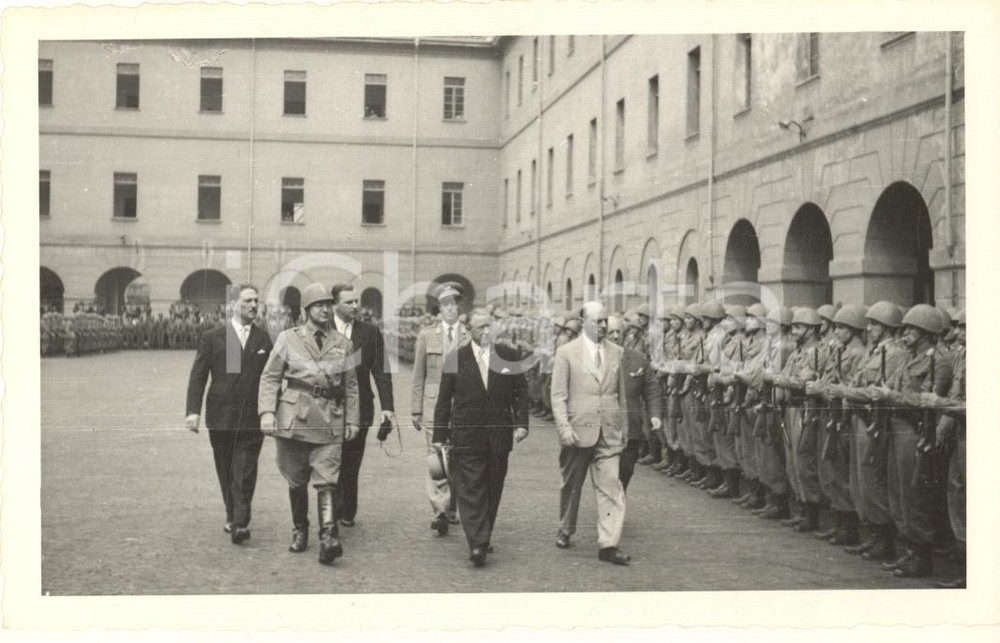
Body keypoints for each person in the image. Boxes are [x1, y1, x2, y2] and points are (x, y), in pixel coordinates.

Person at [258, 283, 360, 565]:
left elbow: (351, 386)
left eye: (328, 304)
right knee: (296, 478)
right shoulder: (288, 339)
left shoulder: (343, 344)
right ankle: (300, 529)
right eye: (318, 305)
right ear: (306, 311)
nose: (325, 310)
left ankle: (328, 536)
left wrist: (353, 419)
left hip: (330, 418)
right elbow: (270, 377)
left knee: (327, 479)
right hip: (294, 418)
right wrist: (267, 412)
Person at [433, 309, 529, 567]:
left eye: (489, 326)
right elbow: (443, 401)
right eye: (480, 328)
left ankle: (483, 534)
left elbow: (521, 390)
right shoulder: (456, 358)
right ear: (469, 330)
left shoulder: (508, 355)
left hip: (499, 434)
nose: (486, 331)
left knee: (492, 487)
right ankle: (477, 543)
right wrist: (439, 435)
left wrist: (521, 423)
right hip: (466, 433)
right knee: (471, 488)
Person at [185, 285, 273, 544]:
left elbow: (271, 377)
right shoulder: (214, 337)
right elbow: (198, 375)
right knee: (226, 470)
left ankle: (240, 522)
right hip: (221, 416)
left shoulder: (264, 339)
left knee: (244, 471)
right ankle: (232, 512)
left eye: (257, 301)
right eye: (248, 301)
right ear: (233, 304)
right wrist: (192, 411)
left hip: (251, 419)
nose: (254, 305)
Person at [550, 301, 630, 566]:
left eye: (606, 321)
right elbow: (558, 395)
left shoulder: (617, 352)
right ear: (584, 322)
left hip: (608, 431)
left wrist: (624, 427)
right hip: (577, 430)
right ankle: (565, 528)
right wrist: (564, 427)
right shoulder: (566, 353)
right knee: (572, 485)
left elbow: (620, 394)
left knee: (611, 487)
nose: (604, 326)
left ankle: (608, 544)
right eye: (599, 321)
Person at [330, 283, 395, 528]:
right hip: (328, 407)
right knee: (329, 457)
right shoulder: (322, 330)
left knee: (351, 461)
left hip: (361, 408)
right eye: (349, 302)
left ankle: (347, 508)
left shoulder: (369, 332)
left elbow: (381, 371)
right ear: (335, 303)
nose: (355, 306)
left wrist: (387, 407)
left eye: (357, 301)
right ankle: (332, 508)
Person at [411, 282, 467, 534]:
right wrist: (416, 409)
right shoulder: (426, 336)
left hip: (462, 406)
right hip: (434, 405)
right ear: (439, 309)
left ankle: (452, 506)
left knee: (456, 458)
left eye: (454, 305)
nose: (450, 309)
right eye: (445, 305)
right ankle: (440, 509)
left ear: (460, 308)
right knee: (435, 457)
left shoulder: (469, 335)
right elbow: (418, 374)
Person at [607, 314, 662, 492]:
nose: (615, 336)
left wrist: (654, 415)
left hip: (630, 426)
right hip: (604, 427)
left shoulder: (637, 359)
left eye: (619, 332)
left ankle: (618, 497)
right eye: (610, 332)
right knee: (606, 472)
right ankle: (611, 504)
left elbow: (651, 388)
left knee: (626, 470)